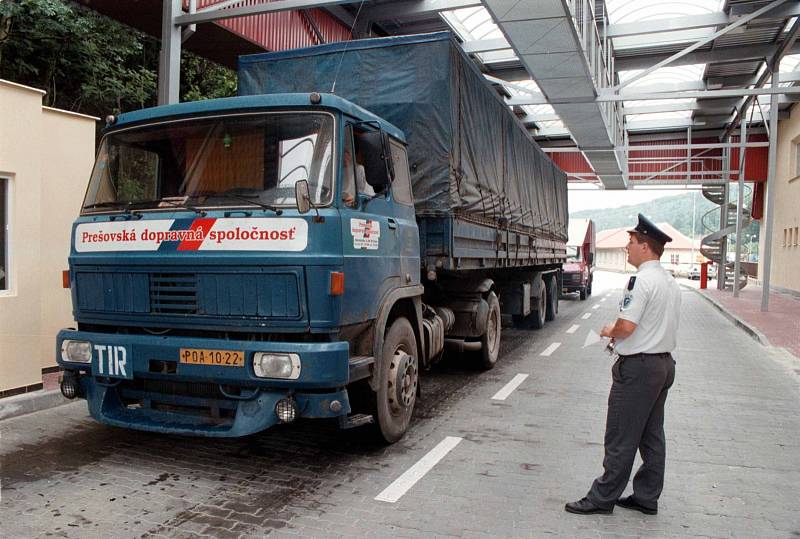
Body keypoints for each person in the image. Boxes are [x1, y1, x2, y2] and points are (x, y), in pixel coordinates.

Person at [566, 213, 681, 516]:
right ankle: (646, 496)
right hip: (663, 365)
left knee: (620, 434)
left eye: (630, 243)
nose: (626, 248)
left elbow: (627, 327)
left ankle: (602, 498)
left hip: (639, 370)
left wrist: (608, 331)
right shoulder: (670, 282)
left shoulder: (641, 281)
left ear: (645, 247)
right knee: (651, 435)